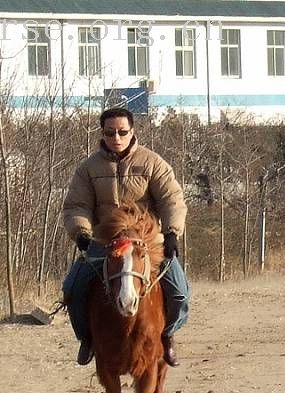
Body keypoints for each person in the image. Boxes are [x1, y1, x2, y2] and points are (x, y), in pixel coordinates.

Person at [61, 107, 190, 367]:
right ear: (102, 133)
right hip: (105, 245)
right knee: (73, 289)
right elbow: (76, 205)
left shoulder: (153, 163)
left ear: (132, 132)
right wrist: (82, 232)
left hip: (146, 245)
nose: (116, 138)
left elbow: (172, 200)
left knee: (179, 293)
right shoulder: (88, 169)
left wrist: (172, 233)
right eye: (110, 133)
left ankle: (167, 335)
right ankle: (87, 340)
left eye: (122, 132)